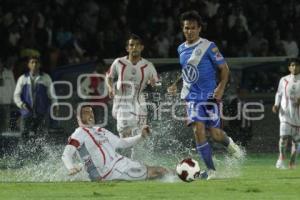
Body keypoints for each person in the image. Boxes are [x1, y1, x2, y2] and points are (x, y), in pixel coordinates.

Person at [167, 10, 243, 177]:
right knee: (198, 131)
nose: (189, 31)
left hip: (210, 97)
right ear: (183, 29)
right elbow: (187, 71)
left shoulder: (209, 46)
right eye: (186, 28)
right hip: (192, 98)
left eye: (193, 28)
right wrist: (175, 84)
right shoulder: (181, 49)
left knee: (216, 135)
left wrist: (221, 87)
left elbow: (224, 69)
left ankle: (230, 144)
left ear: (199, 29)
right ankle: (211, 170)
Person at [61, 105, 169, 181]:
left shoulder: (99, 130)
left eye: (91, 111)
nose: (91, 114)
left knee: (157, 170)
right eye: (86, 112)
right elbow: (66, 154)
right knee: (157, 172)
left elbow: (121, 143)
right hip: (112, 171)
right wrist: (70, 167)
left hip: (121, 163)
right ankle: (180, 176)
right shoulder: (79, 133)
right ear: (78, 117)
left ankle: (179, 176)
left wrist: (141, 137)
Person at [106, 34, 159, 157]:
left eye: (137, 45)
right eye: (131, 45)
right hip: (121, 103)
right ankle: (126, 165)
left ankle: (137, 166)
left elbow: (157, 82)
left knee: (140, 136)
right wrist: (110, 88)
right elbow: (108, 76)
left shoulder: (148, 65)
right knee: (125, 138)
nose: (134, 47)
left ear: (142, 47)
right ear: (127, 48)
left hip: (139, 102)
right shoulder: (118, 62)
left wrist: (154, 83)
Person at [13, 55, 57, 139]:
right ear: (28, 65)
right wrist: (21, 104)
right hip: (26, 112)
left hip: (41, 113)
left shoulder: (45, 77)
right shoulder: (22, 78)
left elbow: (52, 95)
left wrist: (55, 105)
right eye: (32, 62)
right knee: (23, 136)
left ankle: (40, 152)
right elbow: (16, 95)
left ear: (39, 64)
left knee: (41, 138)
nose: (34, 64)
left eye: (36, 62)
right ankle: (23, 152)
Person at [272, 58, 300, 169]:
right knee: (283, 137)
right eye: (292, 65)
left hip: (298, 116)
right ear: (289, 67)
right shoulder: (283, 80)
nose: (294, 67)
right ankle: (281, 157)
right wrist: (276, 105)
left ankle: (292, 161)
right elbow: (278, 94)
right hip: (285, 113)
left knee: (296, 141)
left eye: (297, 65)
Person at [0, 58, 16, 133]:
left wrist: (14, 100)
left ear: (2, 64)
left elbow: (13, 87)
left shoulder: (9, 73)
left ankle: (3, 142)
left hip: (6, 103)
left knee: (5, 124)